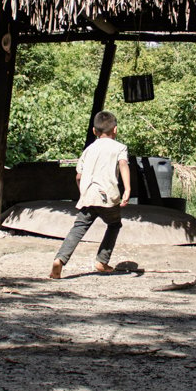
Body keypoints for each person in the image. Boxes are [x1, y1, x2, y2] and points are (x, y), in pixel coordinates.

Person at [50, 111, 132, 279]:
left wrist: (83, 191)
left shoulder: (88, 150)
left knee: (79, 228)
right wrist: (128, 188)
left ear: (94, 131)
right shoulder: (119, 148)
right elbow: (123, 164)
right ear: (115, 130)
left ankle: (60, 259)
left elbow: (78, 176)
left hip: (88, 196)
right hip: (108, 196)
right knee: (114, 225)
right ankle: (102, 260)